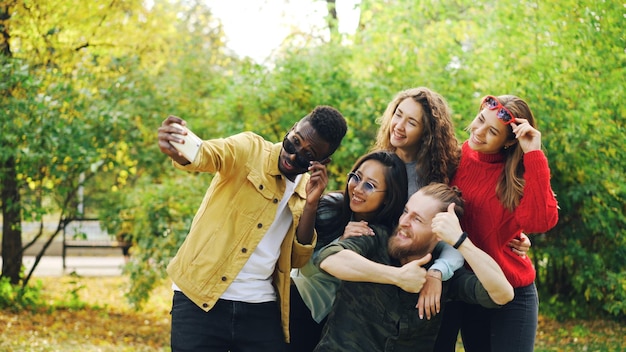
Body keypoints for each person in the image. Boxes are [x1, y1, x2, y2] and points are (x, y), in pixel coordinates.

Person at [157, 105, 348, 351]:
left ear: (322, 161)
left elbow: (297, 260)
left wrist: (311, 204)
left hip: (258, 303)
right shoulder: (250, 149)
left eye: (305, 156)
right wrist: (180, 149)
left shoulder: (306, 190)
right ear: (290, 130)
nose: (292, 156)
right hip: (200, 296)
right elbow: (209, 154)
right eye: (292, 143)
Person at [372, 87, 531, 320]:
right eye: (398, 114)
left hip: (437, 279)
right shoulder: (375, 166)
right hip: (379, 276)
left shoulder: (440, 172)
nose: (399, 125)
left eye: (411, 122)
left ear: (426, 131)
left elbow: (458, 230)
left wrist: (438, 272)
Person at [313, 183, 515, 352]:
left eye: (417, 219)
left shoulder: (443, 276)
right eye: (405, 211)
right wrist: (397, 276)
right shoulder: (375, 238)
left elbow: (502, 294)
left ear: (439, 234)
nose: (404, 222)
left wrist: (461, 241)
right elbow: (328, 259)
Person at [435, 95, 559, 352]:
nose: (479, 132)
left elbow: (541, 221)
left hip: (513, 291)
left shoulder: (517, 174)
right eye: (480, 120)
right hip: (471, 288)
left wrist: (534, 152)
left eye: (492, 131)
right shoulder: (455, 158)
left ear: (509, 141)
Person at [289, 151, 409, 351]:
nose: (358, 189)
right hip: (295, 302)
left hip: (330, 322)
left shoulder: (381, 236)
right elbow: (301, 262)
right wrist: (339, 241)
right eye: (356, 177)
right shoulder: (332, 206)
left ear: (388, 197)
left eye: (370, 186)